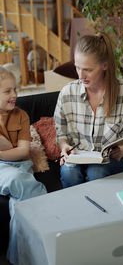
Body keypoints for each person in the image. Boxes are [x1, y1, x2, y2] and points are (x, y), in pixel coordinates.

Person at [54, 32, 123, 188]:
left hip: (115, 160)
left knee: (95, 172)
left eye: (88, 70)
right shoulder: (67, 93)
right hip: (79, 156)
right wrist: (64, 146)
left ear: (105, 65)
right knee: (69, 171)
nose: (81, 75)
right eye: (77, 67)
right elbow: (60, 133)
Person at [0, 67, 47, 264]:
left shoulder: (22, 115)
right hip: (4, 169)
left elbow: (22, 151)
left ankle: (17, 259)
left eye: (15, 89)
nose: (15, 95)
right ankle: (46, 205)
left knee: (20, 204)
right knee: (19, 181)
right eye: (7, 91)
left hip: (21, 165)